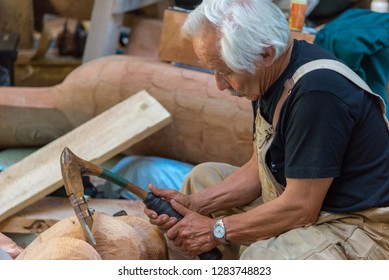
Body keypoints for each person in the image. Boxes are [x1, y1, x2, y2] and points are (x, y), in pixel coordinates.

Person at [144, 0, 389, 260]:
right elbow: (258, 167)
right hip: (309, 205)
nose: (219, 84)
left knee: (261, 261)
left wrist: (216, 230)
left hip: (359, 228)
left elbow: (301, 207)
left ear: (267, 53)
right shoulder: (268, 76)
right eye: (214, 70)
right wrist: (195, 204)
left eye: (225, 71)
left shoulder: (317, 93)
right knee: (202, 178)